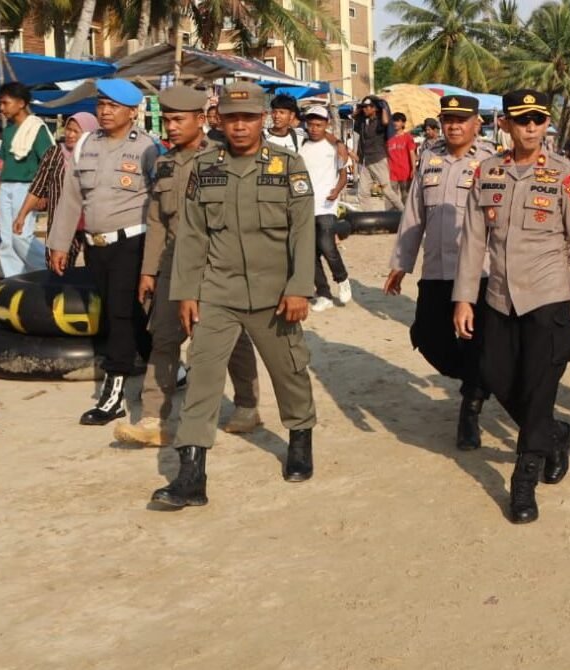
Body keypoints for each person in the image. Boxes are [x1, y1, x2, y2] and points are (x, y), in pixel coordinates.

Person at [152, 81, 320, 508]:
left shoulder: (288, 165)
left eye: (248, 118)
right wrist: (187, 292)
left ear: (264, 119)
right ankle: (191, 475)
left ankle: (300, 437)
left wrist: (300, 287)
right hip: (217, 292)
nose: (240, 126)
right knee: (204, 377)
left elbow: (304, 234)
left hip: (275, 294)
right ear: (218, 120)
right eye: (231, 118)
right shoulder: (205, 168)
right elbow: (191, 236)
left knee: (289, 372)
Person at [454, 89, 570, 524]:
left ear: (546, 125)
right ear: (505, 124)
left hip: (548, 299)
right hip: (500, 297)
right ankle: (556, 435)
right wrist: (464, 298)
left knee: (539, 389)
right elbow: (473, 243)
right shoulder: (487, 172)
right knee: (497, 377)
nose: (530, 128)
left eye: (538, 120)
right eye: (521, 120)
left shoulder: (565, 175)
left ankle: (523, 480)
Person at [115, 85, 262, 448]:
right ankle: (154, 417)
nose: (171, 127)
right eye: (166, 120)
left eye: (178, 120)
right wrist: (149, 272)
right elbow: (158, 221)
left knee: (230, 340)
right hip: (174, 267)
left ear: (200, 120)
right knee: (163, 337)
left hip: (217, 267)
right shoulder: (163, 163)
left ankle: (246, 405)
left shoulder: (225, 159)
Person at [387, 94, 497, 450]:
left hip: (479, 272)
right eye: (448, 118)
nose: (453, 125)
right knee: (429, 336)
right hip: (436, 269)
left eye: (461, 119)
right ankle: (478, 382)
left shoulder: (491, 161)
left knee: (477, 341)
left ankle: (470, 409)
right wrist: (401, 264)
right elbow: (414, 214)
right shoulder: (429, 158)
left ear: (476, 123)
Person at [47, 79, 159, 426]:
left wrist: (156, 259)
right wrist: (59, 243)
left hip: (132, 242)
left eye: (113, 106)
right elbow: (71, 197)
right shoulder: (85, 145)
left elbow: (159, 204)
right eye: (101, 105)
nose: (105, 111)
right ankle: (171, 366)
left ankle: (113, 395)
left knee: (118, 315)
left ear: (132, 111)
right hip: (96, 247)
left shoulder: (148, 148)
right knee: (130, 312)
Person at [12, 112, 95, 267]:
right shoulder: (54, 153)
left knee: (96, 271)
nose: (69, 134)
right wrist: (22, 215)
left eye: (76, 131)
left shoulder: (97, 156)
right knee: (57, 268)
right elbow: (37, 187)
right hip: (60, 224)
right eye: (68, 129)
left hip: (92, 224)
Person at [0, 81, 54, 277]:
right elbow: (4, 165)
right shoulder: (9, 130)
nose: (1, 108)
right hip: (6, 187)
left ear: (20, 103)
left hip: (27, 188)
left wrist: (43, 192)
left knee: (21, 235)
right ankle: (14, 280)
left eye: (5, 103)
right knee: (6, 237)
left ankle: (43, 271)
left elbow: (48, 162)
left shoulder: (37, 128)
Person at [300, 105, 351, 312]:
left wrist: (336, 191)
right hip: (304, 206)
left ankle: (343, 279)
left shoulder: (333, 148)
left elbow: (343, 174)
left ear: (326, 125)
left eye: (318, 125)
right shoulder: (300, 144)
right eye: (310, 124)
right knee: (309, 253)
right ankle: (323, 294)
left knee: (327, 246)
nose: (314, 128)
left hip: (326, 204)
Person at [353, 95, 399, 211]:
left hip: (378, 158)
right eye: (364, 107)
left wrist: (383, 107)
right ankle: (367, 217)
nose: (365, 109)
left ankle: (403, 211)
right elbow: (353, 116)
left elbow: (386, 121)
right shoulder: (363, 121)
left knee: (386, 190)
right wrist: (360, 106)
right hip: (366, 160)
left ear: (375, 109)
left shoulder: (379, 121)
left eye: (368, 107)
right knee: (363, 192)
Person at [387, 112, 417, 209]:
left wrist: (414, 169)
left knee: (406, 198)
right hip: (391, 174)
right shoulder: (388, 139)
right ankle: (392, 221)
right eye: (394, 121)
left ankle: (406, 220)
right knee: (392, 199)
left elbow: (412, 154)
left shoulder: (408, 137)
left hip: (405, 173)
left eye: (398, 121)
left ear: (403, 124)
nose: (395, 123)